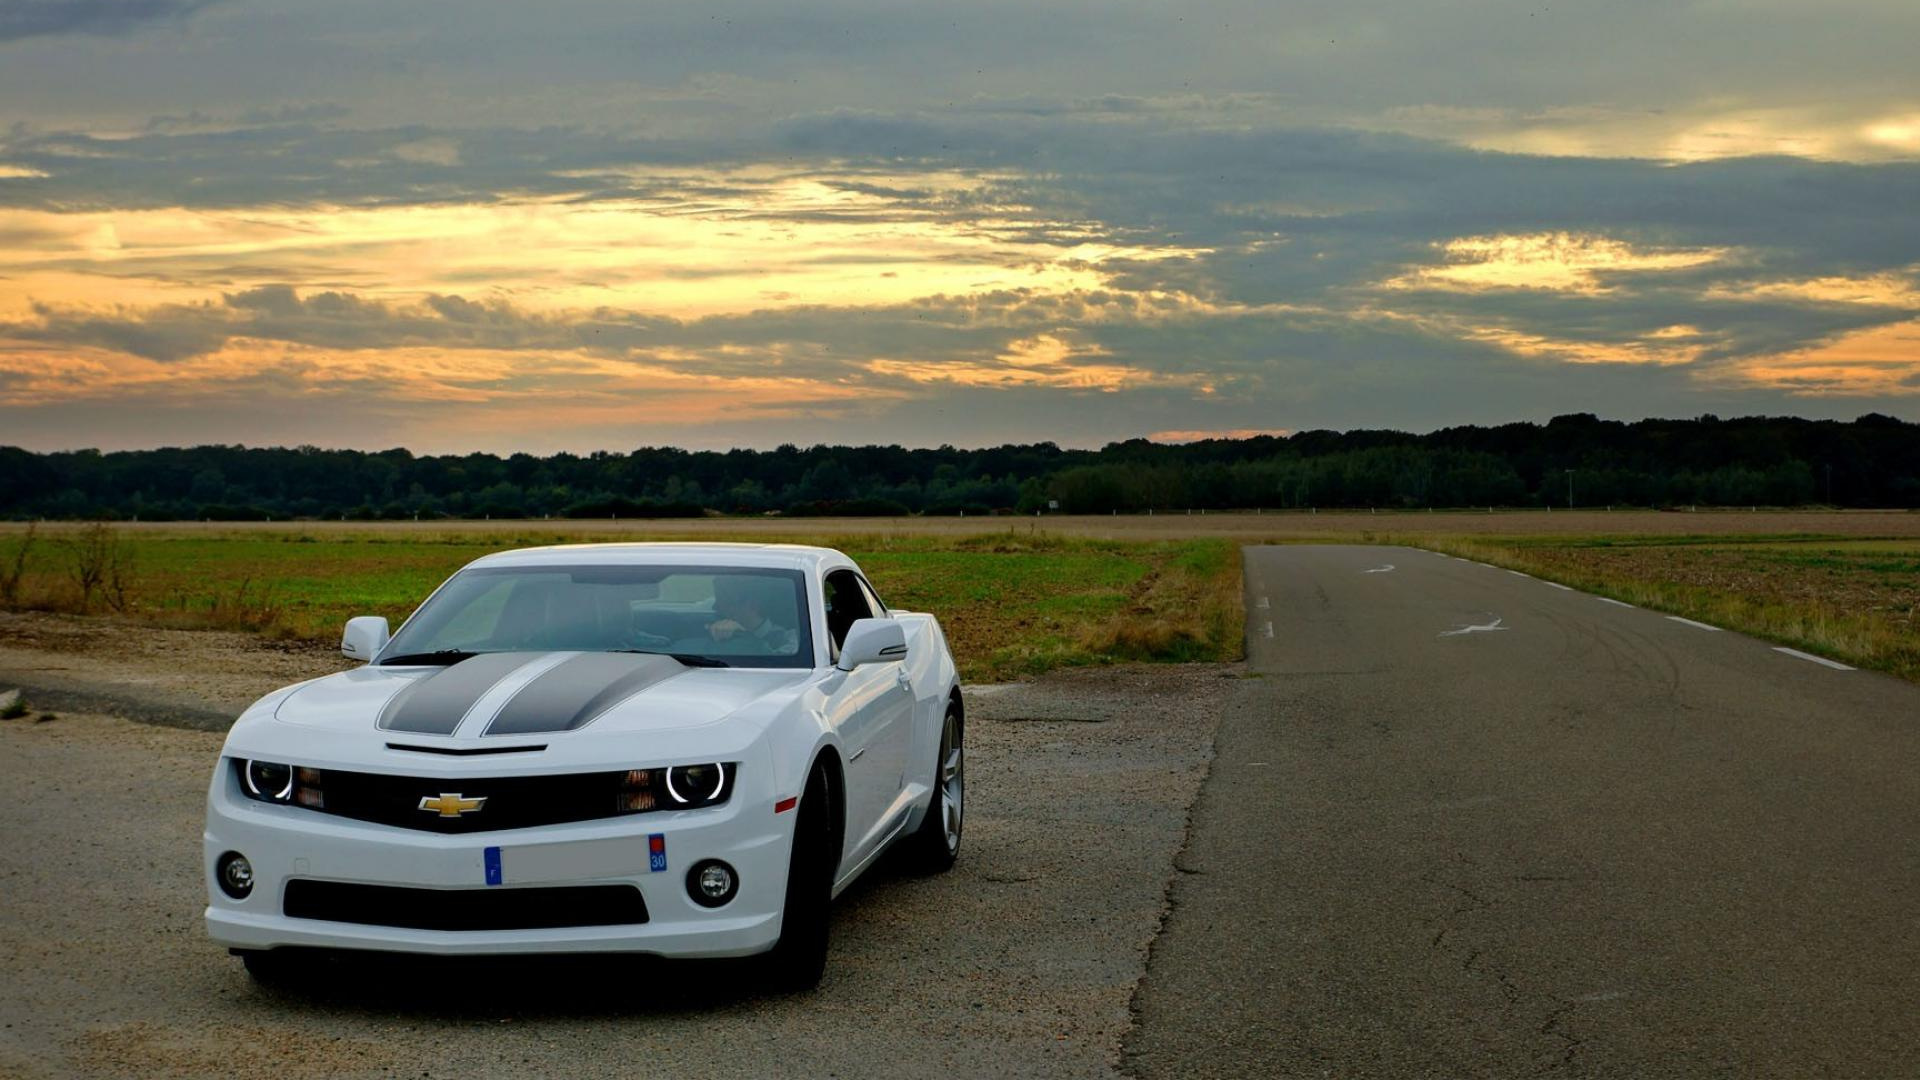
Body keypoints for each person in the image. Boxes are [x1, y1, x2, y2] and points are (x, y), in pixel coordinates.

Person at [707, 575, 799, 654]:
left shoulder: (790, 639)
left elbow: (776, 663)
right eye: (717, 603)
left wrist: (745, 636)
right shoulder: (716, 633)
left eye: (725, 603)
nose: (715, 608)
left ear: (753, 604)